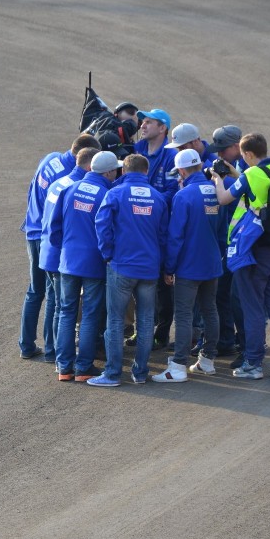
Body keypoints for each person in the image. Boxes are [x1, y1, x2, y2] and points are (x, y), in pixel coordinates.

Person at [213, 133, 270, 380]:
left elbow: (223, 198)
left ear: (248, 154)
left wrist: (219, 179)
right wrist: (234, 174)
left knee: (252, 309)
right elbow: (259, 189)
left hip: (252, 250)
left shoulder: (251, 174)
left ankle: (252, 363)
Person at [86, 154, 168, 387]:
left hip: (121, 266)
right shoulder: (159, 198)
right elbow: (164, 236)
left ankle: (112, 374)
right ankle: (140, 373)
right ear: (146, 171)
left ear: (124, 171)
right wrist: (160, 262)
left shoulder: (115, 194)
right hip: (149, 268)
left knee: (115, 321)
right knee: (145, 321)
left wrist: (108, 254)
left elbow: (101, 225)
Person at [19, 134, 101, 361]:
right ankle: (52, 349)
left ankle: (26, 345)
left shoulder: (50, 159)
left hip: (32, 230)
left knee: (35, 291)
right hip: (46, 238)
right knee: (55, 296)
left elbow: (31, 188)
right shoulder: (70, 179)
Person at [152, 149, 223, 383]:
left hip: (188, 266)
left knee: (183, 315)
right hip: (212, 262)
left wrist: (169, 268)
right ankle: (207, 361)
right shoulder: (215, 191)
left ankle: (179, 367)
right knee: (210, 310)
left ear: (182, 170)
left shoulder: (183, 196)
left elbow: (175, 237)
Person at [49, 151, 120, 382]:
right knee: (89, 314)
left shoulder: (69, 188)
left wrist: (64, 250)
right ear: (108, 172)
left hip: (68, 261)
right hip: (94, 263)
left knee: (67, 311)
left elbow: (54, 226)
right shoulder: (106, 193)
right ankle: (84, 367)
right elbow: (109, 231)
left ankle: (64, 367)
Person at [39, 146, 100, 357]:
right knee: (64, 309)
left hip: (51, 251)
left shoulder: (60, 183)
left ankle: (53, 353)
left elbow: (50, 221)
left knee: (58, 307)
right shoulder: (78, 187)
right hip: (65, 256)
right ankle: (59, 353)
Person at [131, 108, 179, 351]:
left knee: (162, 284)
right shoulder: (137, 151)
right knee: (137, 281)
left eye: (149, 122)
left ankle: (161, 333)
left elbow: (173, 192)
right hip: (138, 228)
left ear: (163, 128)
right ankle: (141, 330)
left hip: (160, 228)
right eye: (143, 121)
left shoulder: (171, 156)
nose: (143, 125)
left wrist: (145, 200)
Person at [206, 125, 246, 364]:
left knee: (240, 297)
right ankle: (227, 341)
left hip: (245, 245)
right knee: (225, 294)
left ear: (236, 145)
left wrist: (230, 179)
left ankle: (249, 346)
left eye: (223, 150)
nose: (219, 156)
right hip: (230, 243)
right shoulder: (236, 168)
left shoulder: (249, 170)